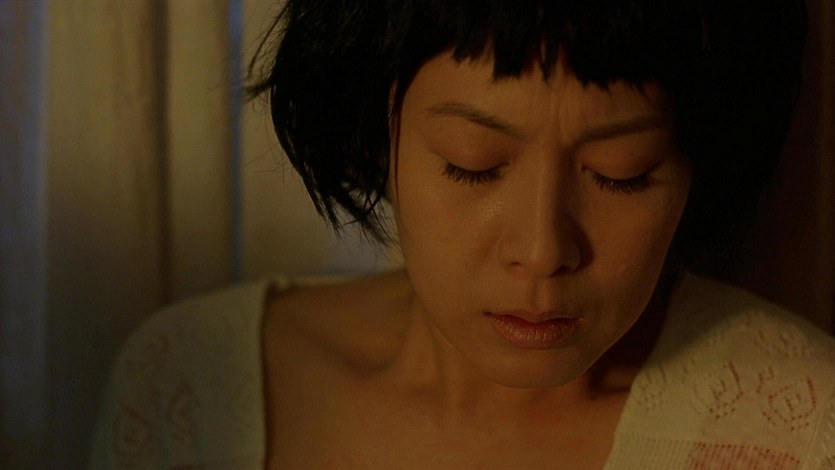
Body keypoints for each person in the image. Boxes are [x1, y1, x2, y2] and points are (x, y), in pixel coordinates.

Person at [90, 0, 835, 468]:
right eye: (472, 165)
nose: (541, 252)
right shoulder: (190, 378)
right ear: (380, 129)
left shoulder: (799, 423)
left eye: (622, 173)